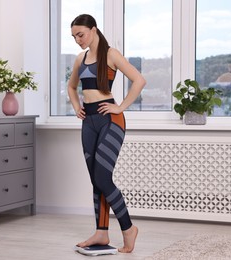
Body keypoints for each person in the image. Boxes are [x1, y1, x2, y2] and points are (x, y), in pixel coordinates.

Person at [67, 14, 146, 253]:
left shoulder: (111, 54)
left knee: (103, 177)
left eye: (80, 34)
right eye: (74, 36)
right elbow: (72, 86)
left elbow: (139, 80)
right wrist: (76, 107)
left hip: (110, 120)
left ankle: (128, 228)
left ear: (93, 30)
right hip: (88, 121)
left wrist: (120, 106)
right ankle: (101, 233)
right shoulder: (80, 59)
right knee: (95, 179)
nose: (78, 40)